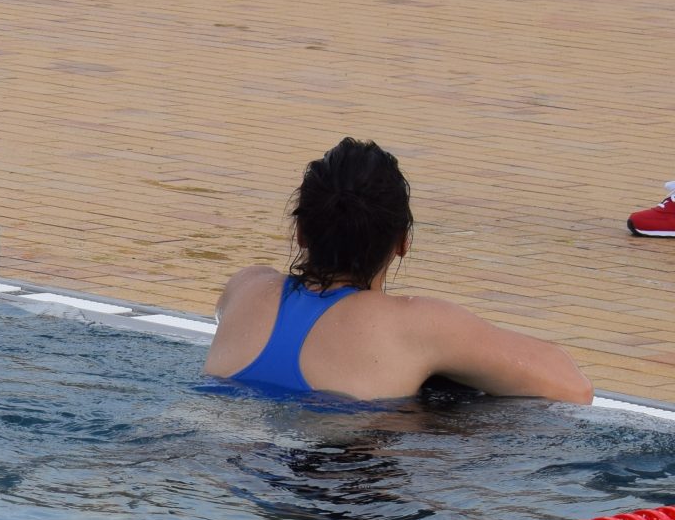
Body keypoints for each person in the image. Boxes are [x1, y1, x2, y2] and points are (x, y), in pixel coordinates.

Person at [205, 138, 591, 404]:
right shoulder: (414, 326)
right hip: (344, 481)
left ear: (301, 232)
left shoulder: (245, 287)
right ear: (402, 242)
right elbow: (573, 387)